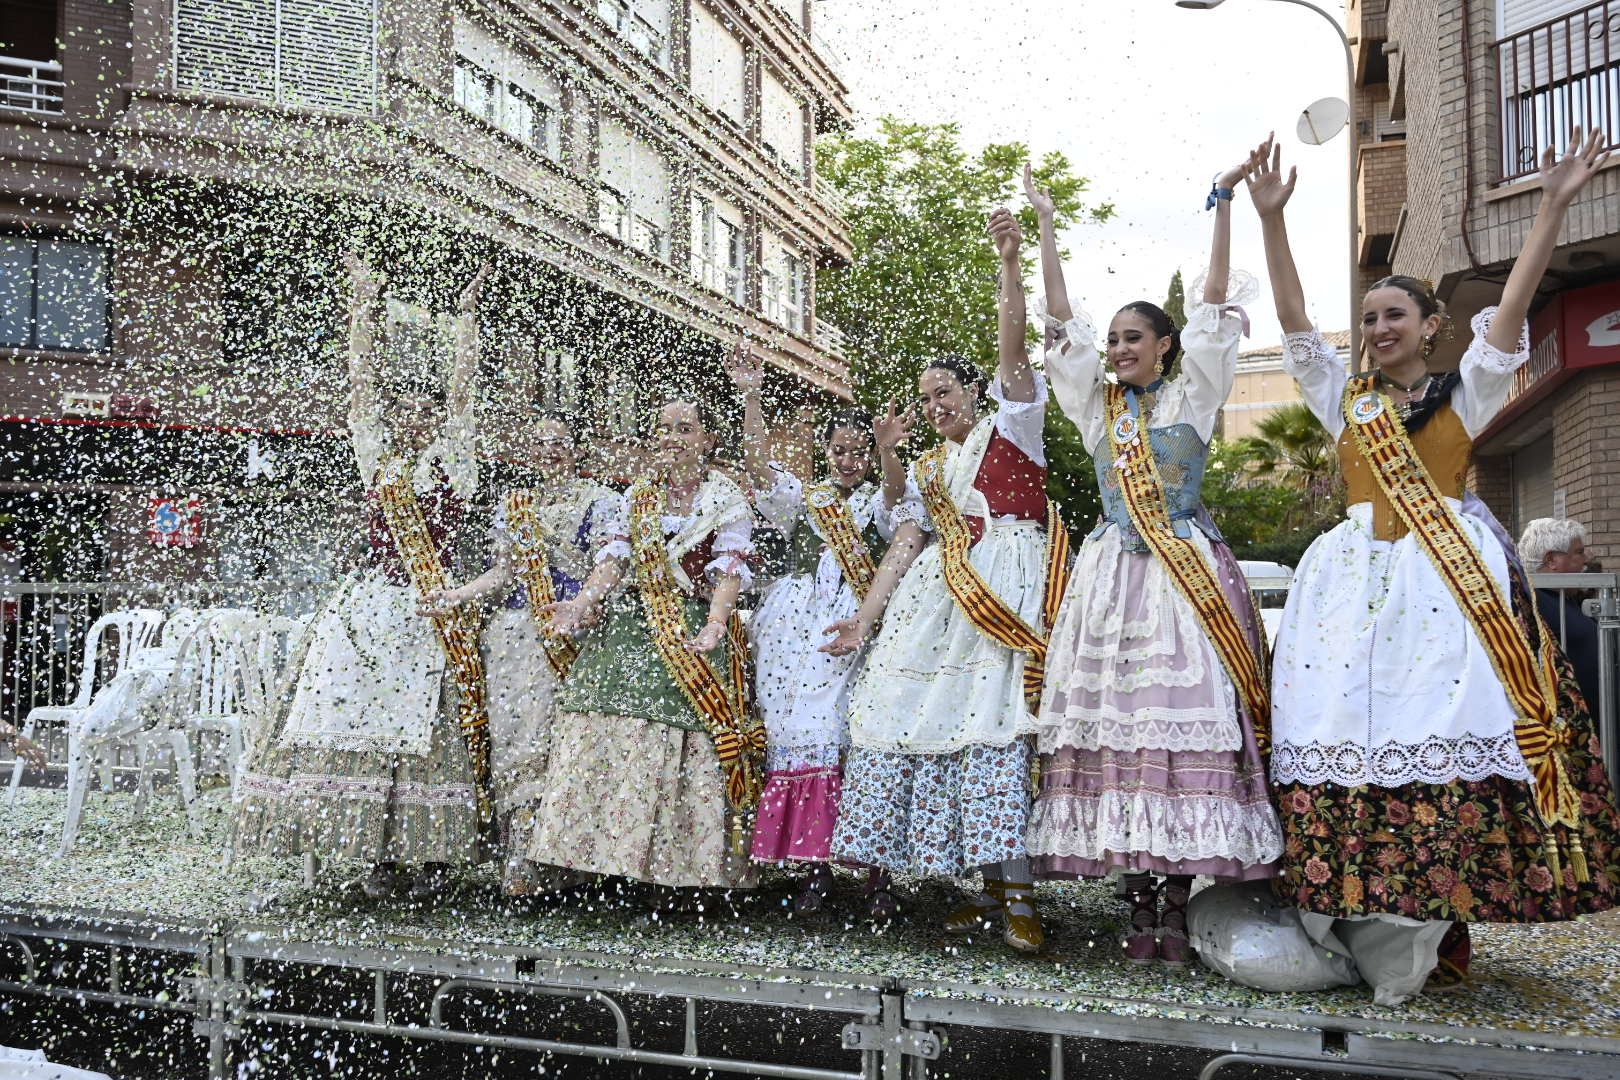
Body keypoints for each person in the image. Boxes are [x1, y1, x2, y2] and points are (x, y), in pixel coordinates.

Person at [1251, 133, 1620, 1003]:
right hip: (1348, 592)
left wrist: (1556, 207)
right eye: (1371, 318)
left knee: (1436, 740)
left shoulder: (1468, 391)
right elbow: (1297, 322)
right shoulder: (1343, 399)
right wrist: (1274, 222)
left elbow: (1514, 308)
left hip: (1444, 593)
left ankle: (1438, 923)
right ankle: (1360, 923)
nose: (1379, 330)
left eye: (1394, 316)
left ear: (1430, 327)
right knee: (1344, 741)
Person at [1023, 147, 1284, 966]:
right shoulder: (1101, 412)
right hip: (1110, 586)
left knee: (1181, 739)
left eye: (1133, 337)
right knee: (1120, 740)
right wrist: (1046, 229)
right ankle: (1138, 907)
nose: (1118, 349)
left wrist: (1224, 203)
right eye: (1114, 340)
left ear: (1167, 346)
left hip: (1182, 582)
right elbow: (1060, 328)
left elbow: (1212, 303)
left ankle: (1177, 905)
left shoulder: (1194, 396)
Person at [823, 210, 1068, 954]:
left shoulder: (1015, 427)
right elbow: (902, 546)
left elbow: (1014, 345)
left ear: (975, 389)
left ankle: (1019, 890)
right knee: (937, 732)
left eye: (946, 391)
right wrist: (864, 621)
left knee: (998, 731)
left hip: (1007, 595)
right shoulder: (930, 467)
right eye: (926, 399)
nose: (937, 405)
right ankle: (979, 884)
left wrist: (1008, 263)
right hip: (935, 609)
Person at [234, 254, 493, 903]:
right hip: (369, 610)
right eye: (403, 409)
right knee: (350, 723)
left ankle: (428, 850)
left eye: (421, 409)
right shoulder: (380, 461)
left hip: (428, 607)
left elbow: (463, 391)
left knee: (426, 731)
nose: (411, 417)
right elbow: (360, 390)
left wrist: (466, 316)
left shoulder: (452, 464)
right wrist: (361, 303)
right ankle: (374, 851)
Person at [523, 395, 762, 901]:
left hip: (692, 628)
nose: (673, 438)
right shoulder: (637, 497)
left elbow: (729, 570)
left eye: (685, 428)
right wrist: (583, 600)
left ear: (707, 439)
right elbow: (613, 560)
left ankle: (672, 872)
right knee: (598, 717)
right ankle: (595, 860)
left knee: (681, 735)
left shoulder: (725, 499)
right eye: (664, 429)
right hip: (632, 625)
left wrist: (717, 624)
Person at [723, 342, 903, 917]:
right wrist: (750, 396)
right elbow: (757, 465)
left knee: (864, 736)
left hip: (859, 626)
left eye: (859, 453)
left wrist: (889, 451)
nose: (849, 461)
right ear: (825, 451)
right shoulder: (807, 498)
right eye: (840, 450)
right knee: (802, 736)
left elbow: (898, 500)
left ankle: (875, 872)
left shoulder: (880, 500)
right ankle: (813, 868)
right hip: (798, 634)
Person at [418, 415, 615, 896]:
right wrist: (457, 595)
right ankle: (521, 855)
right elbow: (501, 574)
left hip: (573, 634)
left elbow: (609, 567)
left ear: (578, 450)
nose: (550, 454)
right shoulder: (516, 506)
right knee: (515, 741)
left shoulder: (601, 502)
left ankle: (569, 856)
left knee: (561, 741)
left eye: (560, 444)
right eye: (541, 445)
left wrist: (583, 607)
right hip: (515, 637)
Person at [1520, 517, 1603, 712]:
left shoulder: (1566, 597)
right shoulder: (1532, 601)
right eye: (1579, 552)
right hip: (1571, 727)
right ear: (1551, 560)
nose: (1586, 559)